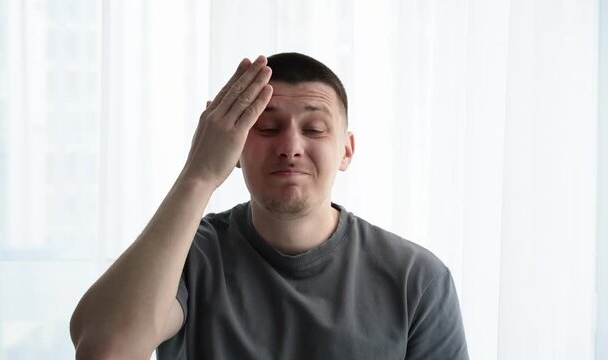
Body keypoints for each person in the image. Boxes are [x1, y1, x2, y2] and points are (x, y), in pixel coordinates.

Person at [70, 52, 469, 360]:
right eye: (266, 127)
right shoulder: (186, 257)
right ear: (236, 146)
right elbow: (105, 351)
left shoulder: (417, 281)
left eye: (313, 129)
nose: (290, 148)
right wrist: (199, 173)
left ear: (346, 152)